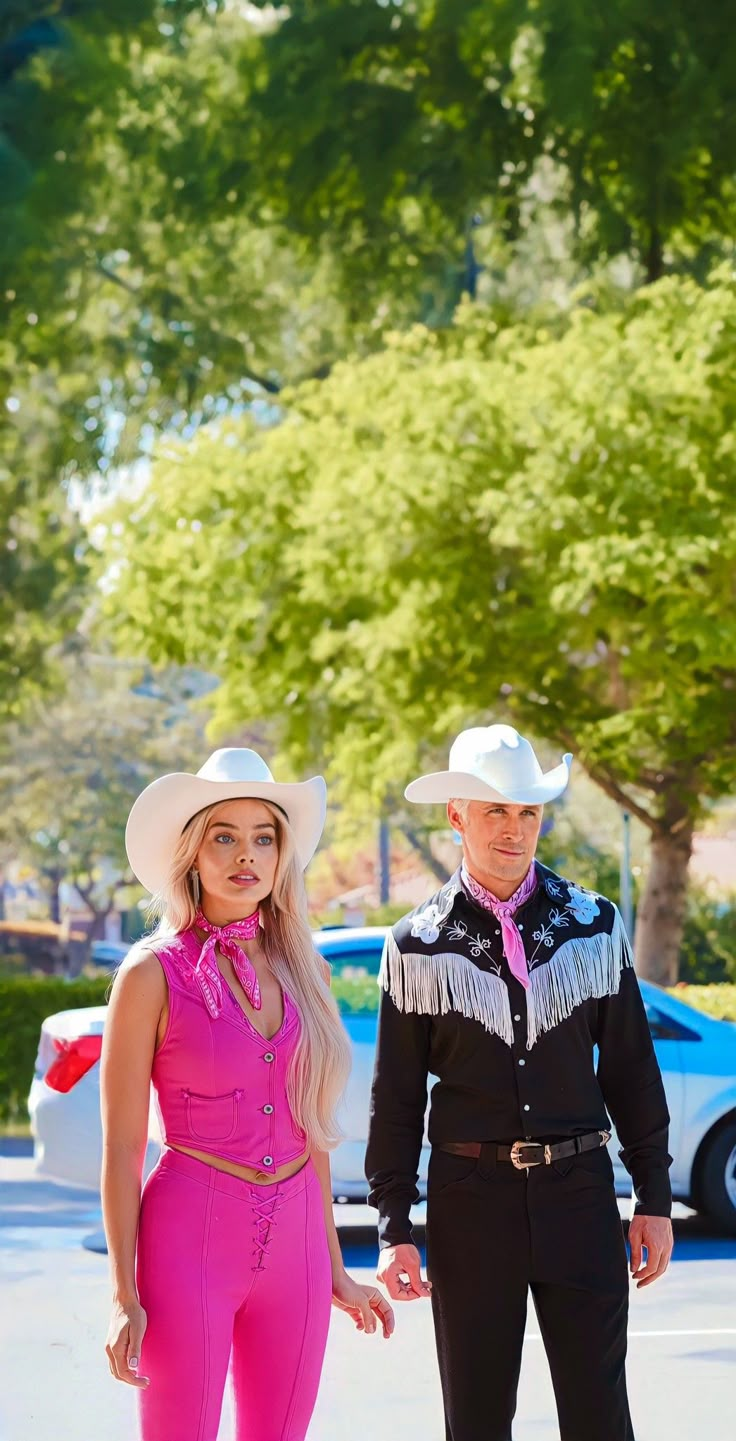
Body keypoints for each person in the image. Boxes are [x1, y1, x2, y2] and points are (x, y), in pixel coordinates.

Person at [365, 724, 673, 1441]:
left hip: (580, 1193)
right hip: (470, 1204)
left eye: (527, 811)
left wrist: (653, 1197)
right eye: (495, 810)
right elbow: (398, 1096)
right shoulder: (416, 944)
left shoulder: (593, 925)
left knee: (600, 1417)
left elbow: (631, 1069)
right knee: (475, 1419)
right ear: (456, 816)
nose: (513, 828)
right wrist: (393, 1227)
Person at [102, 747, 393, 1441]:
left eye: (263, 837)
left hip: (296, 1242)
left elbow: (312, 1130)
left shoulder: (306, 966)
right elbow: (120, 1150)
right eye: (224, 836)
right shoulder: (149, 974)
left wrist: (336, 1269)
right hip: (186, 1238)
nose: (246, 854)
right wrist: (122, 1293)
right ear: (191, 853)